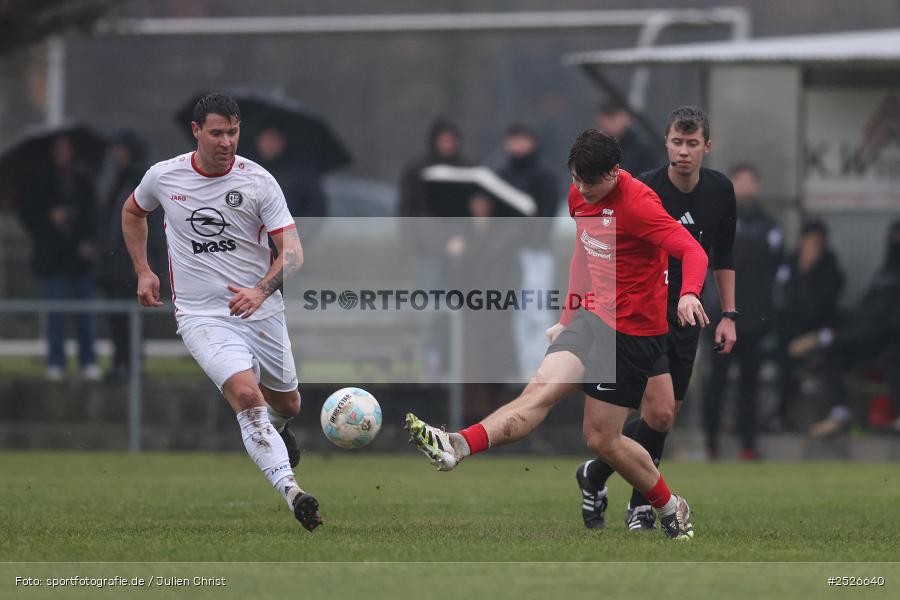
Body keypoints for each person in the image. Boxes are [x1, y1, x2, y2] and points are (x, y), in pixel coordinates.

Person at [405, 129, 709, 540]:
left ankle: (671, 506)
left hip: (631, 335)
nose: (582, 189)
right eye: (576, 178)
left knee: (602, 438)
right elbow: (583, 255)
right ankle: (456, 445)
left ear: (614, 172)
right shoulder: (579, 195)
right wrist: (567, 318)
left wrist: (689, 293)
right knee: (536, 393)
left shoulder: (639, 204)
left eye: (590, 181)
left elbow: (692, 250)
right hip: (592, 320)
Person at [121, 93, 322, 531]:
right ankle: (293, 492)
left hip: (261, 310)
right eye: (217, 133)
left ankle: (278, 430)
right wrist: (143, 270)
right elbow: (133, 212)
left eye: (233, 132)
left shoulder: (259, 181)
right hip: (201, 316)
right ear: (196, 132)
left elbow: (293, 252)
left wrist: (260, 290)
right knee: (247, 396)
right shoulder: (164, 176)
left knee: (288, 403)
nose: (227, 142)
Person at [574, 106, 736, 531]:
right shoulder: (643, 189)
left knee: (662, 417)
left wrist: (729, 314)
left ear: (707, 146)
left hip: (688, 313)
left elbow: (723, 255)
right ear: (666, 142)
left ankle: (595, 471)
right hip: (644, 313)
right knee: (647, 415)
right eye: (676, 142)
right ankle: (642, 506)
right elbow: (599, 248)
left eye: (692, 143)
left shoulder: (720, 190)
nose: (683, 151)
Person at [701, 163, 782, 459]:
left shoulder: (769, 225)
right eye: (740, 181)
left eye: (750, 181)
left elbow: (775, 267)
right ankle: (711, 443)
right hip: (720, 317)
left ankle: (748, 445)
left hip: (753, 319)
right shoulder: (716, 219)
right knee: (716, 382)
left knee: (750, 384)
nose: (746, 187)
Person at [796, 220, 900, 436]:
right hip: (869, 338)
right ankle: (839, 414)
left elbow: (884, 320)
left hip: (890, 338)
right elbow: (867, 313)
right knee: (833, 352)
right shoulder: (884, 275)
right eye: (894, 237)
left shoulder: (833, 271)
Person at [18, 133, 101, 381]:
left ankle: (88, 360)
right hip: (52, 261)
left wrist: (82, 231)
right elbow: (29, 216)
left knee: (86, 316)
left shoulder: (83, 180)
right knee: (55, 316)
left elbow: (93, 217)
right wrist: (50, 218)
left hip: (79, 261)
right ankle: (56, 361)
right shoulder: (38, 182)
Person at [497, 123, 563, 376]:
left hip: (536, 253)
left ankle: (542, 367)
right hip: (507, 256)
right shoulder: (501, 175)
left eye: (521, 139)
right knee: (515, 313)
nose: (517, 145)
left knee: (537, 311)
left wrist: (526, 235)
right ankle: (523, 367)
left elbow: (545, 217)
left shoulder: (544, 176)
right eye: (513, 140)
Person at [97, 130, 163, 381]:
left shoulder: (142, 183)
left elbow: (152, 225)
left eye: (122, 149)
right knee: (116, 320)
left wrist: (145, 263)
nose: (118, 155)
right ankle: (121, 362)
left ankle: (132, 364)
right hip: (114, 266)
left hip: (132, 266)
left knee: (131, 319)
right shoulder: (117, 182)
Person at [772, 221, 843, 431]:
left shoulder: (830, 270)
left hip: (818, 332)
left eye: (818, 244)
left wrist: (808, 274)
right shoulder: (788, 266)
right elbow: (782, 302)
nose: (814, 248)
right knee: (783, 359)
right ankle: (780, 415)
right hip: (789, 332)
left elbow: (821, 307)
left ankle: (835, 414)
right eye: (811, 242)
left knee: (832, 358)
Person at [254, 123, 327, 244]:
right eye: (265, 139)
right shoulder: (249, 169)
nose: (268, 144)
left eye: (273, 139)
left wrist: (296, 238)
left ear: (282, 141)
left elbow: (316, 210)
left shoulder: (301, 172)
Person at [595, 101, 661, 177]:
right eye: (605, 117)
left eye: (612, 117)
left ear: (625, 117)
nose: (607, 123)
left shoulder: (644, 150)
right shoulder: (596, 148)